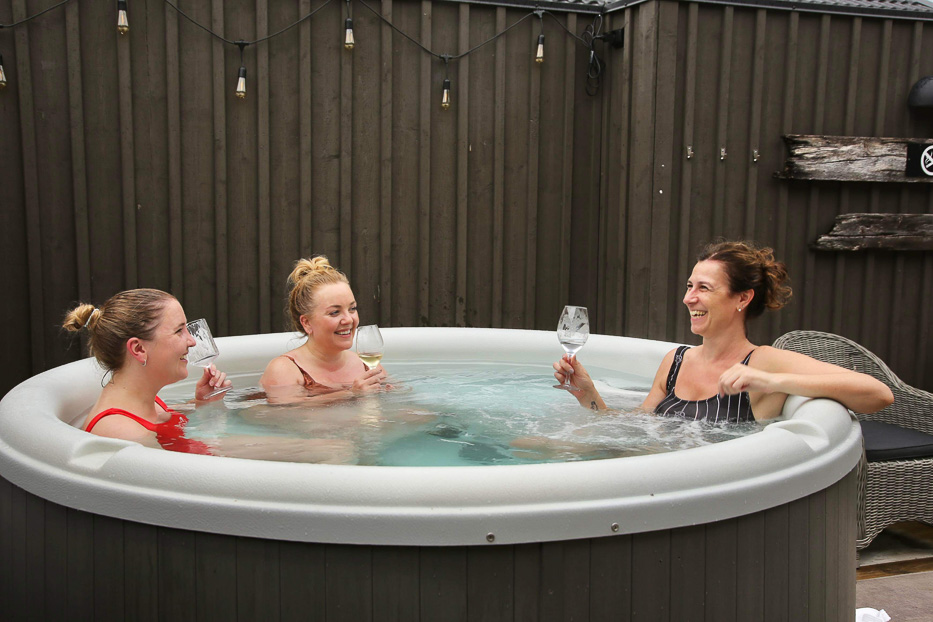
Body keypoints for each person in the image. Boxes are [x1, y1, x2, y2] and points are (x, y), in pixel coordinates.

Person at [553, 240, 894, 421]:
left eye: (704, 287)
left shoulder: (762, 362)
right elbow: (636, 429)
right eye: (689, 286)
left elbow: (878, 394)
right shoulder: (676, 361)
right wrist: (588, 395)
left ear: (742, 298)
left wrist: (772, 382)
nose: (689, 298)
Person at [64, 288, 354, 462]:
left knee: (335, 447)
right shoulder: (120, 431)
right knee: (334, 450)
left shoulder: (145, 403)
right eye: (179, 331)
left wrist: (204, 407)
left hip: (208, 454)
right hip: (209, 465)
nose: (191, 341)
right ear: (138, 349)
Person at [260, 256, 386, 400]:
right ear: (306, 323)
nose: (348, 319)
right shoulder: (285, 369)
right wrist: (351, 393)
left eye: (352, 308)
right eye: (334, 312)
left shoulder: (366, 364)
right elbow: (284, 415)